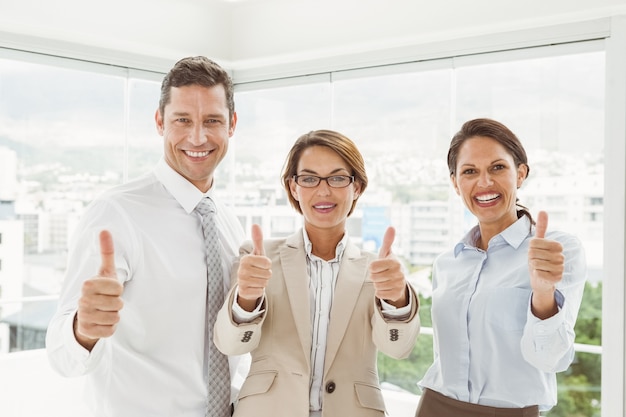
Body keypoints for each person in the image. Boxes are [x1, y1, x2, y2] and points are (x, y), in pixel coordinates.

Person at [46, 56, 248, 417]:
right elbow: (62, 357)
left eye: (212, 121)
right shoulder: (116, 214)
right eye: (182, 120)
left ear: (231, 125)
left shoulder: (229, 223)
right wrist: (83, 329)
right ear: (160, 122)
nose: (198, 137)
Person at [213, 129, 421, 417]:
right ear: (294, 187)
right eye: (309, 179)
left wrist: (397, 300)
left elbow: (397, 348)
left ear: (357, 186)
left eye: (337, 178)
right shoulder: (258, 257)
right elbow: (231, 344)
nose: (323, 191)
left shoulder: (379, 269)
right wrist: (246, 299)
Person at [415, 118, 587, 416]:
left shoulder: (556, 251)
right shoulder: (447, 263)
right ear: (456, 183)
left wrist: (544, 296)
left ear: (520, 173)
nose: (484, 183)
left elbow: (551, 361)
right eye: (470, 171)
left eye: (497, 167)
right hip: (436, 405)